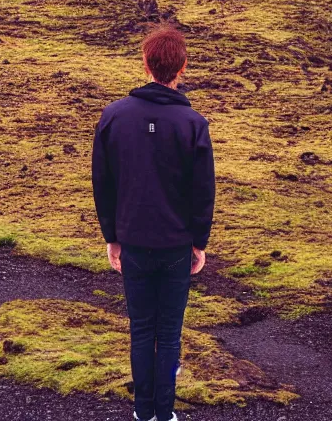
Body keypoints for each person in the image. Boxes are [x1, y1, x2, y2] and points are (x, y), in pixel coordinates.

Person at [92, 25, 215, 421]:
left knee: (142, 329)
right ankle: (166, 414)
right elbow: (203, 190)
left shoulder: (114, 116)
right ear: (181, 68)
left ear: (145, 63)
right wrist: (199, 241)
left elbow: (103, 182)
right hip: (176, 245)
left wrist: (112, 237)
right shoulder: (193, 123)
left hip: (134, 242)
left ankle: (143, 413)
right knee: (169, 332)